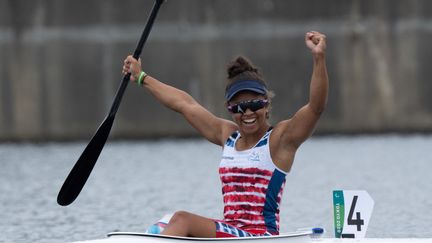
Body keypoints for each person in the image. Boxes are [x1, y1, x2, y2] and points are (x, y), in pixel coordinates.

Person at [122, 31, 328, 238]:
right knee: (163, 224)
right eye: (238, 107)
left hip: (260, 236)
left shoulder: (280, 140)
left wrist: (318, 58)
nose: (247, 112)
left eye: (254, 104)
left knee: (181, 220)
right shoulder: (228, 136)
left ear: (266, 105)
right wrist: (141, 77)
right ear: (230, 109)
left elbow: (315, 108)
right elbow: (184, 104)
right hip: (231, 232)